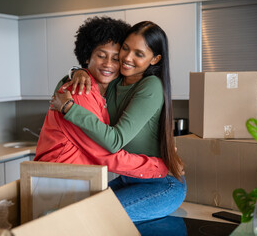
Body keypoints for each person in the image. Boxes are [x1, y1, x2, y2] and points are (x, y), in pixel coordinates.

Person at [50, 21, 186, 222]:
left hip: (162, 184)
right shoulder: (115, 81)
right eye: (125, 48)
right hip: (128, 180)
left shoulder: (151, 86)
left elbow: (115, 141)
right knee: (74, 212)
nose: (126, 58)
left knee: (92, 217)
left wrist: (70, 109)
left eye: (139, 54)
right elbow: (77, 80)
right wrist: (77, 72)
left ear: (155, 59)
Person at [34, 17, 169, 180]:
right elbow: (105, 154)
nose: (109, 64)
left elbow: (112, 142)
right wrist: (158, 166)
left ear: (155, 59)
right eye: (101, 55)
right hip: (57, 182)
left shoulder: (112, 87)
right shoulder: (80, 90)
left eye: (115, 57)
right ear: (86, 56)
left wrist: (77, 72)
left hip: (71, 181)